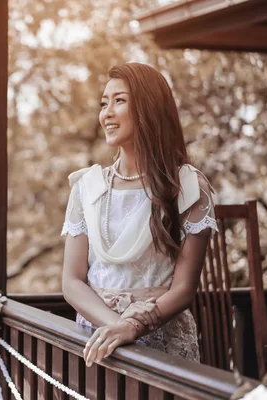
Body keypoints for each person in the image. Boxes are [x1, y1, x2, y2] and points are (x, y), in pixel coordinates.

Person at [61, 62, 217, 367]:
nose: (106, 113)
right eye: (104, 103)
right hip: (98, 343)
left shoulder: (188, 187)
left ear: (149, 108)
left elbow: (184, 289)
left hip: (162, 346)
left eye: (119, 101)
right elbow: (72, 280)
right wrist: (116, 326)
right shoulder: (86, 187)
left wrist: (134, 326)